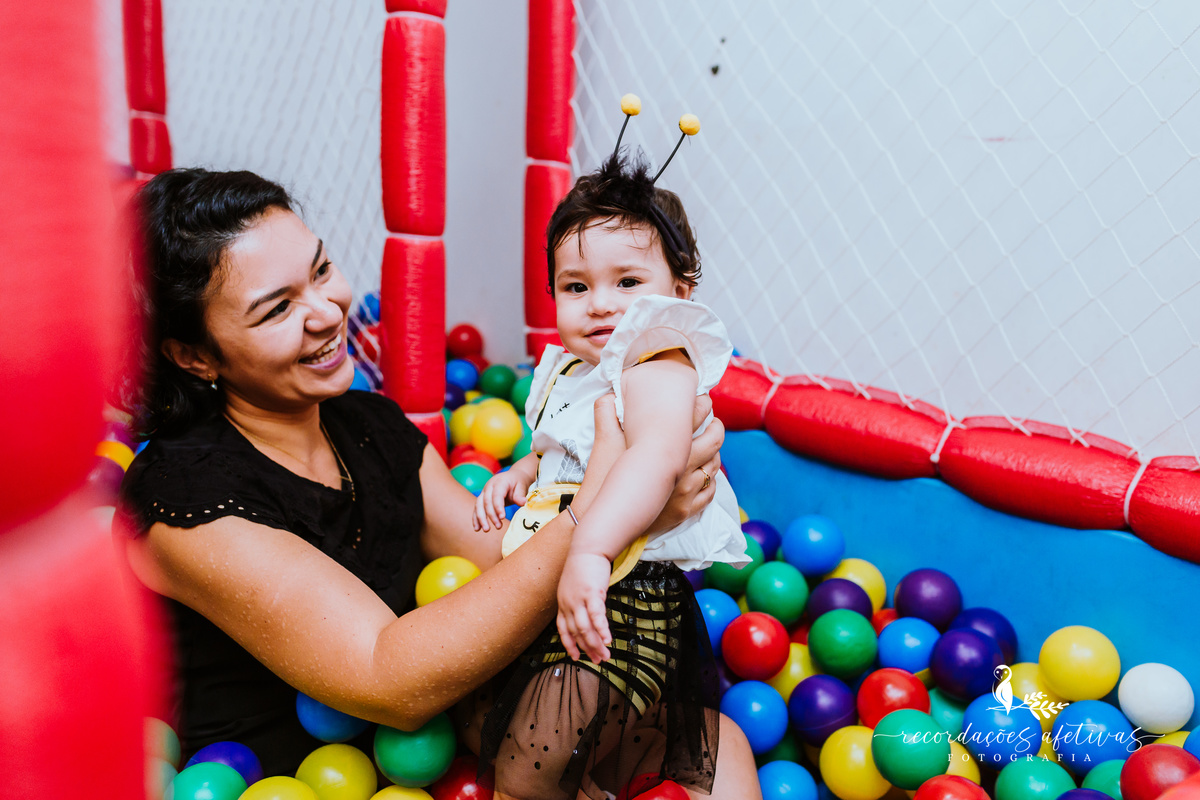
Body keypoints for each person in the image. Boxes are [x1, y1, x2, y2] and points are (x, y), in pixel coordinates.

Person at [115, 168, 761, 797]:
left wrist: (633, 503)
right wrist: (605, 518)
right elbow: (386, 677)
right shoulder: (182, 500)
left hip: (437, 749)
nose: (327, 311)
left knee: (718, 744)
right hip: (286, 779)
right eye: (278, 308)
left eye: (321, 270)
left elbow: (500, 561)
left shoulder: (368, 426)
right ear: (194, 355)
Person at [472, 151, 748, 800]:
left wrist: (591, 552)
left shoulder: (656, 359)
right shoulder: (569, 370)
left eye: (627, 282)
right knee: (527, 734)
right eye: (576, 287)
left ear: (679, 293)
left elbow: (654, 456)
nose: (600, 305)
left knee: (527, 767)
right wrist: (522, 470)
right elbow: (564, 446)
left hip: (626, 598)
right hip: (562, 582)